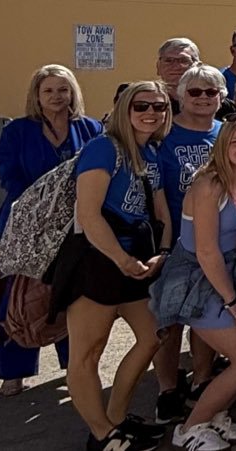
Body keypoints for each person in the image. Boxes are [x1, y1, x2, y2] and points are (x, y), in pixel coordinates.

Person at [58, 81, 172, 451]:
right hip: (98, 262)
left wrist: (164, 252)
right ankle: (102, 434)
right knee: (88, 353)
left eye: (159, 106)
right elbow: (89, 216)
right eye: (142, 106)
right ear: (125, 108)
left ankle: (117, 419)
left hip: (136, 262)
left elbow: (160, 210)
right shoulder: (102, 149)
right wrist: (121, 260)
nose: (151, 113)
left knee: (153, 336)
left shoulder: (150, 153)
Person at [150, 114, 236, 449]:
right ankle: (189, 428)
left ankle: (217, 411)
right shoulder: (208, 184)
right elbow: (206, 251)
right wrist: (233, 301)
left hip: (233, 272)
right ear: (223, 145)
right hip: (197, 277)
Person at [0, 64, 100, 397]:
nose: (57, 96)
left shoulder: (90, 128)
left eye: (63, 89)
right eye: (49, 90)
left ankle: (74, 368)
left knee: (71, 298)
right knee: (18, 299)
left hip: (74, 227)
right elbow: (8, 174)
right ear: (37, 96)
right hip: (27, 228)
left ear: (73, 93)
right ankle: (14, 373)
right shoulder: (18, 131)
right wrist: (41, 203)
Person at [153, 64, 228, 423]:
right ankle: (168, 389)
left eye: (210, 92)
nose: (202, 98)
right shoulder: (163, 134)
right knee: (169, 321)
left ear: (221, 97)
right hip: (175, 243)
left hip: (218, 241)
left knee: (205, 315)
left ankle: (201, 379)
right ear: (180, 95)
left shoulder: (226, 134)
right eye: (195, 92)